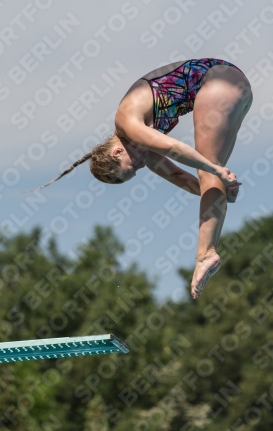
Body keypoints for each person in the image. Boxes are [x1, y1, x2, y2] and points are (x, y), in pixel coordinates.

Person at [33, 58, 253, 299]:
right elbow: (181, 178)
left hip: (216, 80)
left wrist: (214, 171)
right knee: (210, 176)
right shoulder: (142, 146)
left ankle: (205, 254)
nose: (141, 165)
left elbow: (174, 149)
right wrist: (219, 189)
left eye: (132, 166)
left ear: (117, 151)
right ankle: (209, 248)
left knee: (210, 170)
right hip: (235, 85)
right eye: (137, 170)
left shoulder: (126, 122)